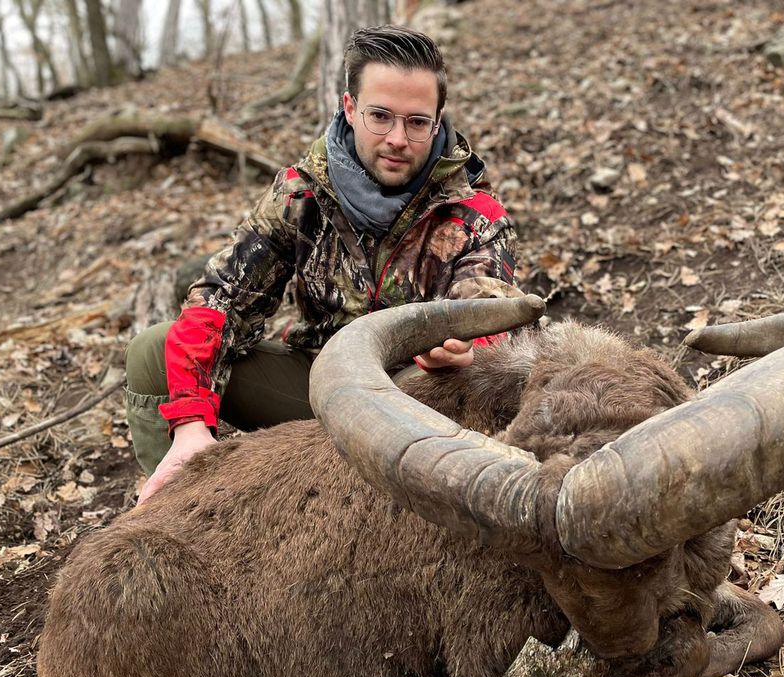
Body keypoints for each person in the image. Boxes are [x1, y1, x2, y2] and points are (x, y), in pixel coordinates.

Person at [125, 25, 520, 503]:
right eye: (380, 116)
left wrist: (465, 348)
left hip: (415, 403)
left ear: (437, 123)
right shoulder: (300, 194)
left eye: (417, 122)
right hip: (315, 387)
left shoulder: (477, 217)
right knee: (152, 352)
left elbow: (489, 312)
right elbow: (219, 299)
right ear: (350, 108)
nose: (398, 139)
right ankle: (176, 511)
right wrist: (190, 423)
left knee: (447, 385)